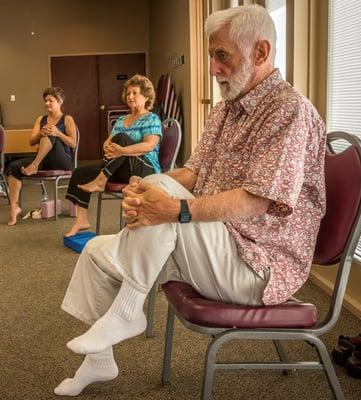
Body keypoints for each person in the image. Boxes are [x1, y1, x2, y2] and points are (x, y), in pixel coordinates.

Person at [54, 5, 327, 396]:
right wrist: (142, 190)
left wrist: (171, 206)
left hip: (257, 265)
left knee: (163, 196)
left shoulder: (288, 111)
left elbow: (255, 202)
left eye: (222, 56)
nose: (213, 69)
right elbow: (193, 173)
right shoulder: (227, 109)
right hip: (216, 242)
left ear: (261, 52)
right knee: (96, 250)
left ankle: (128, 312)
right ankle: (100, 360)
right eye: (212, 56)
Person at [64, 74, 162, 237]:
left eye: (135, 93)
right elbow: (108, 143)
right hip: (119, 166)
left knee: (122, 138)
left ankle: (101, 180)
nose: (130, 97)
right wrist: (110, 148)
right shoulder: (122, 119)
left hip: (145, 167)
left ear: (146, 96)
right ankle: (81, 220)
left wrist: (121, 150)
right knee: (80, 172)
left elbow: (148, 146)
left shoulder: (151, 118)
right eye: (128, 93)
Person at [7, 87, 76, 226]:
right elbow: (32, 141)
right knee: (14, 166)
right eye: (45, 101)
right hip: (43, 160)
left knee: (51, 133)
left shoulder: (67, 119)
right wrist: (40, 133)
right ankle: (14, 208)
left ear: (60, 101)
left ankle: (34, 165)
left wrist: (57, 133)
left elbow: (73, 143)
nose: (47, 103)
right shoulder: (41, 119)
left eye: (51, 100)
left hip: (62, 161)